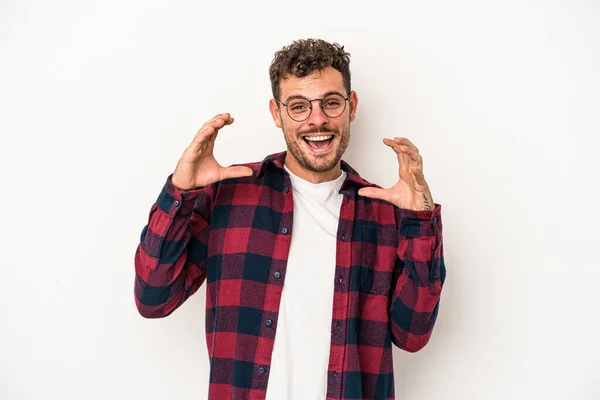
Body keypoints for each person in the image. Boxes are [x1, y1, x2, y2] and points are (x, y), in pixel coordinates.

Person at [134, 38, 446, 400]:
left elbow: (413, 335)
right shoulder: (230, 197)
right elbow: (153, 298)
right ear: (276, 112)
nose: (318, 120)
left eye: (331, 103)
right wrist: (180, 192)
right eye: (299, 106)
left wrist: (420, 221)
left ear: (352, 106)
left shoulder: (386, 214)